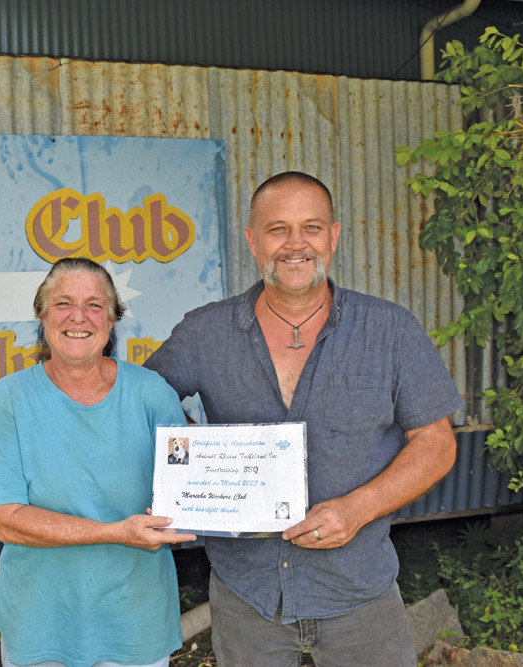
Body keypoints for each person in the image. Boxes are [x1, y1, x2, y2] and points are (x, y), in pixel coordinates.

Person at [144, 171, 464, 666]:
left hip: (359, 593)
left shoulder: (390, 329)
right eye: (278, 229)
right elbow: (141, 406)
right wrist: (194, 464)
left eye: (311, 228)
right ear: (252, 240)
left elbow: (436, 442)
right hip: (247, 596)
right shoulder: (204, 332)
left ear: (333, 236)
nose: (296, 244)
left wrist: (357, 509)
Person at [0, 257, 196, 667]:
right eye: (63, 303)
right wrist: (116, 532)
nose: (78, 317)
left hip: (134, 620)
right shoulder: (8, 400)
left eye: (94, 305)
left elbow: (192, 488)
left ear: (111, 319)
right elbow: (8, 520)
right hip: (41, 623)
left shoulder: (152, 392)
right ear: (42, 314)